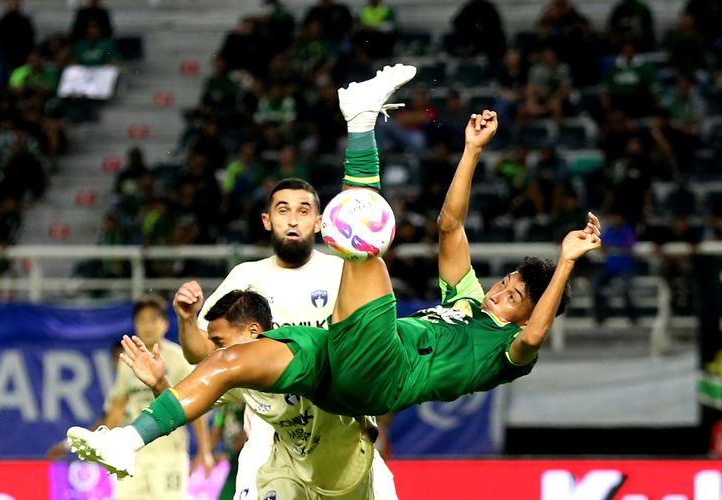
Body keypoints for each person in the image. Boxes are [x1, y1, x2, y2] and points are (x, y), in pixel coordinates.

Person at [68, 87, 602, 479]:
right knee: (231, 362)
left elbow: (534, 335)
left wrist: (566, 262)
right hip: (333, 357)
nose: (499, 289)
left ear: (528, 313)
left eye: (513, 296)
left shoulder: (509, 349)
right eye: (505, 280)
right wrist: (472, 152)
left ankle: (361, 124)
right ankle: (126, 441)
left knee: (365, 245)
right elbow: (450, 226)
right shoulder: (463, 298)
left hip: (385, 373)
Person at [78, 66, 414, 499]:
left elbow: (377, 351)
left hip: (346, 439)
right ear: (266, 220)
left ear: (319, 221)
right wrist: (185, 320)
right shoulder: (245, 279)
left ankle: (362, 122)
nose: (292, 219)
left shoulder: (342, 272)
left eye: (302, 211)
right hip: (269, 445)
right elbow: (210, 359)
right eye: (282, 210)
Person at [71, 294, 214, 498]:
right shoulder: (127, 363)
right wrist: (102, 441)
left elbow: (195, 407)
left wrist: (204, 450)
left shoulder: (179, 359)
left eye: (153, 320)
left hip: (169, 454)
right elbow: (118, 406)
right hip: (134, 452)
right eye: (142, 320)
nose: (147, 326)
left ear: (164, 324)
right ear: (135, 325)